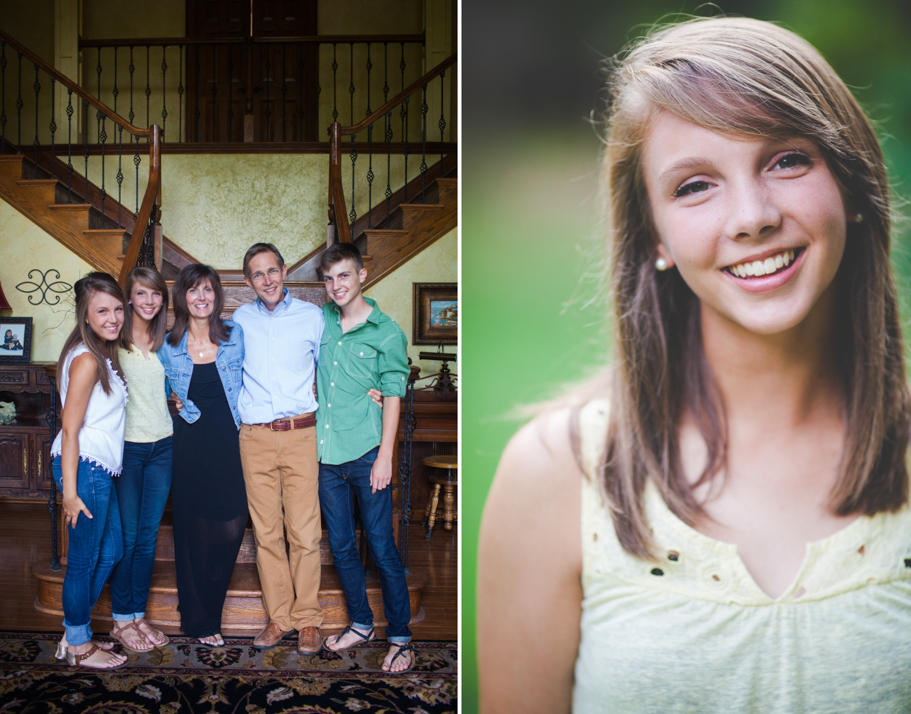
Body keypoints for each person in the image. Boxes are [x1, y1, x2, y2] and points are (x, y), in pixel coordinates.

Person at [477, 17, 911, 713]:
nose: (751, 217)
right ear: (654, 236)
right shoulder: (557, 473)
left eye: (786, 159)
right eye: (694, 186)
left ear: (851, 185)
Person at [317, 243, 414, 673]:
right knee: (340, 545)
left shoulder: (387, 331)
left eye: (343, 276)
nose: (336, 285)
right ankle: (361, 623)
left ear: (362, 276)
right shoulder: (320, 321)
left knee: (380, 546)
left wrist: (385, 456)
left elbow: (393, 393)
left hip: (367, 452)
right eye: (329, 278)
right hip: (326, 455)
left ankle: (401, 636)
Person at [232, 243, 326, 655]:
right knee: (267, 533)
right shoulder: (239, 319)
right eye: (258, 274)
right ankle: (280, 617)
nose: (267, 280)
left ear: (284, 271)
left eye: (272, 270)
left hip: (301, 432)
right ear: (248, 281)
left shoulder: (312, 316)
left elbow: (330, 372)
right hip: (254, 438)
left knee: (304, 532)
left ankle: (307, 619)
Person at [158, 264, 247, 646]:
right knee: (191, 530)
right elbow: (151, 386)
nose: (201, 297)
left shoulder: (235, 335)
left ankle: (210, 603)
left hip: (231, 440)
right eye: (193, 290)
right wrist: (168, 397)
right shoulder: (167, 344)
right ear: (182, 297)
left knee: (230, 526)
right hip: (188, 441)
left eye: (208, 290)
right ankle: (199, 618)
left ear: (217, 296)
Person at [51, 272, 129, 669]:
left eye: (118, 309)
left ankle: (74, 628)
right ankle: (79, 643)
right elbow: (69, 427)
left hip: (98, 468)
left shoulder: (98, 353)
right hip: (84, 468)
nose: (113, 317)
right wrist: (68, 489)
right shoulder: (85, 358)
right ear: (86, 314)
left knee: (112, 549)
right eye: (103, 311)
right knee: (82, 561)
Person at [107, 266, 173, 653]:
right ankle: (120, 619)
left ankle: (136, 614)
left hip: (163, 445)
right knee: (129, 538)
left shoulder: (166, 340)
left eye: (156, 295)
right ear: (129, 297)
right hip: (128, 449)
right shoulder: (112, 339)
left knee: (148, 538)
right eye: (142, 294)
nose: (149, 302)